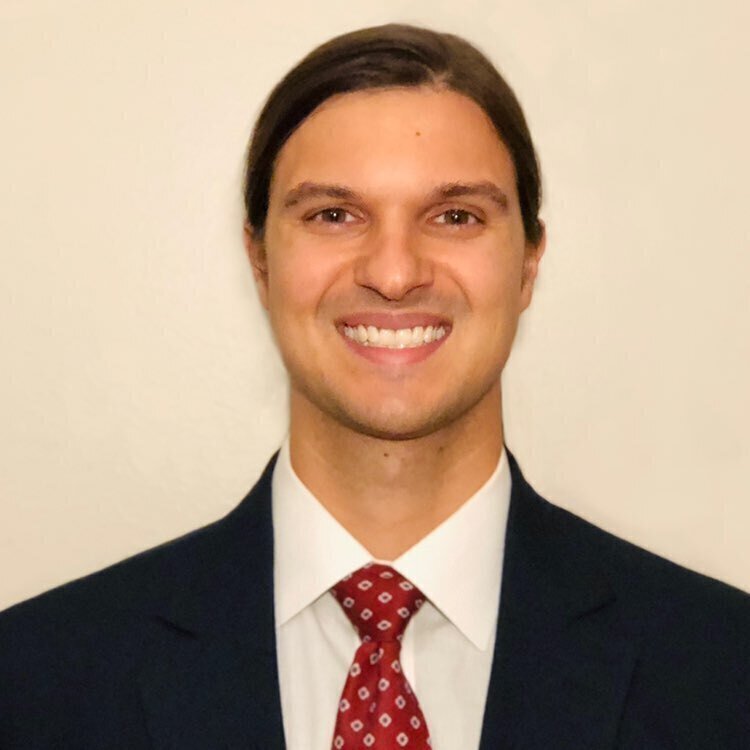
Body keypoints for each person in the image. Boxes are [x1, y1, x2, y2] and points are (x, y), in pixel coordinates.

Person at [1, 22, 748, 750]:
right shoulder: (34, 682)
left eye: (455, 216)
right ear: (260, 262)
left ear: (528, 263)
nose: (394, 273)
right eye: (334, 215)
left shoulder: (723, 674)